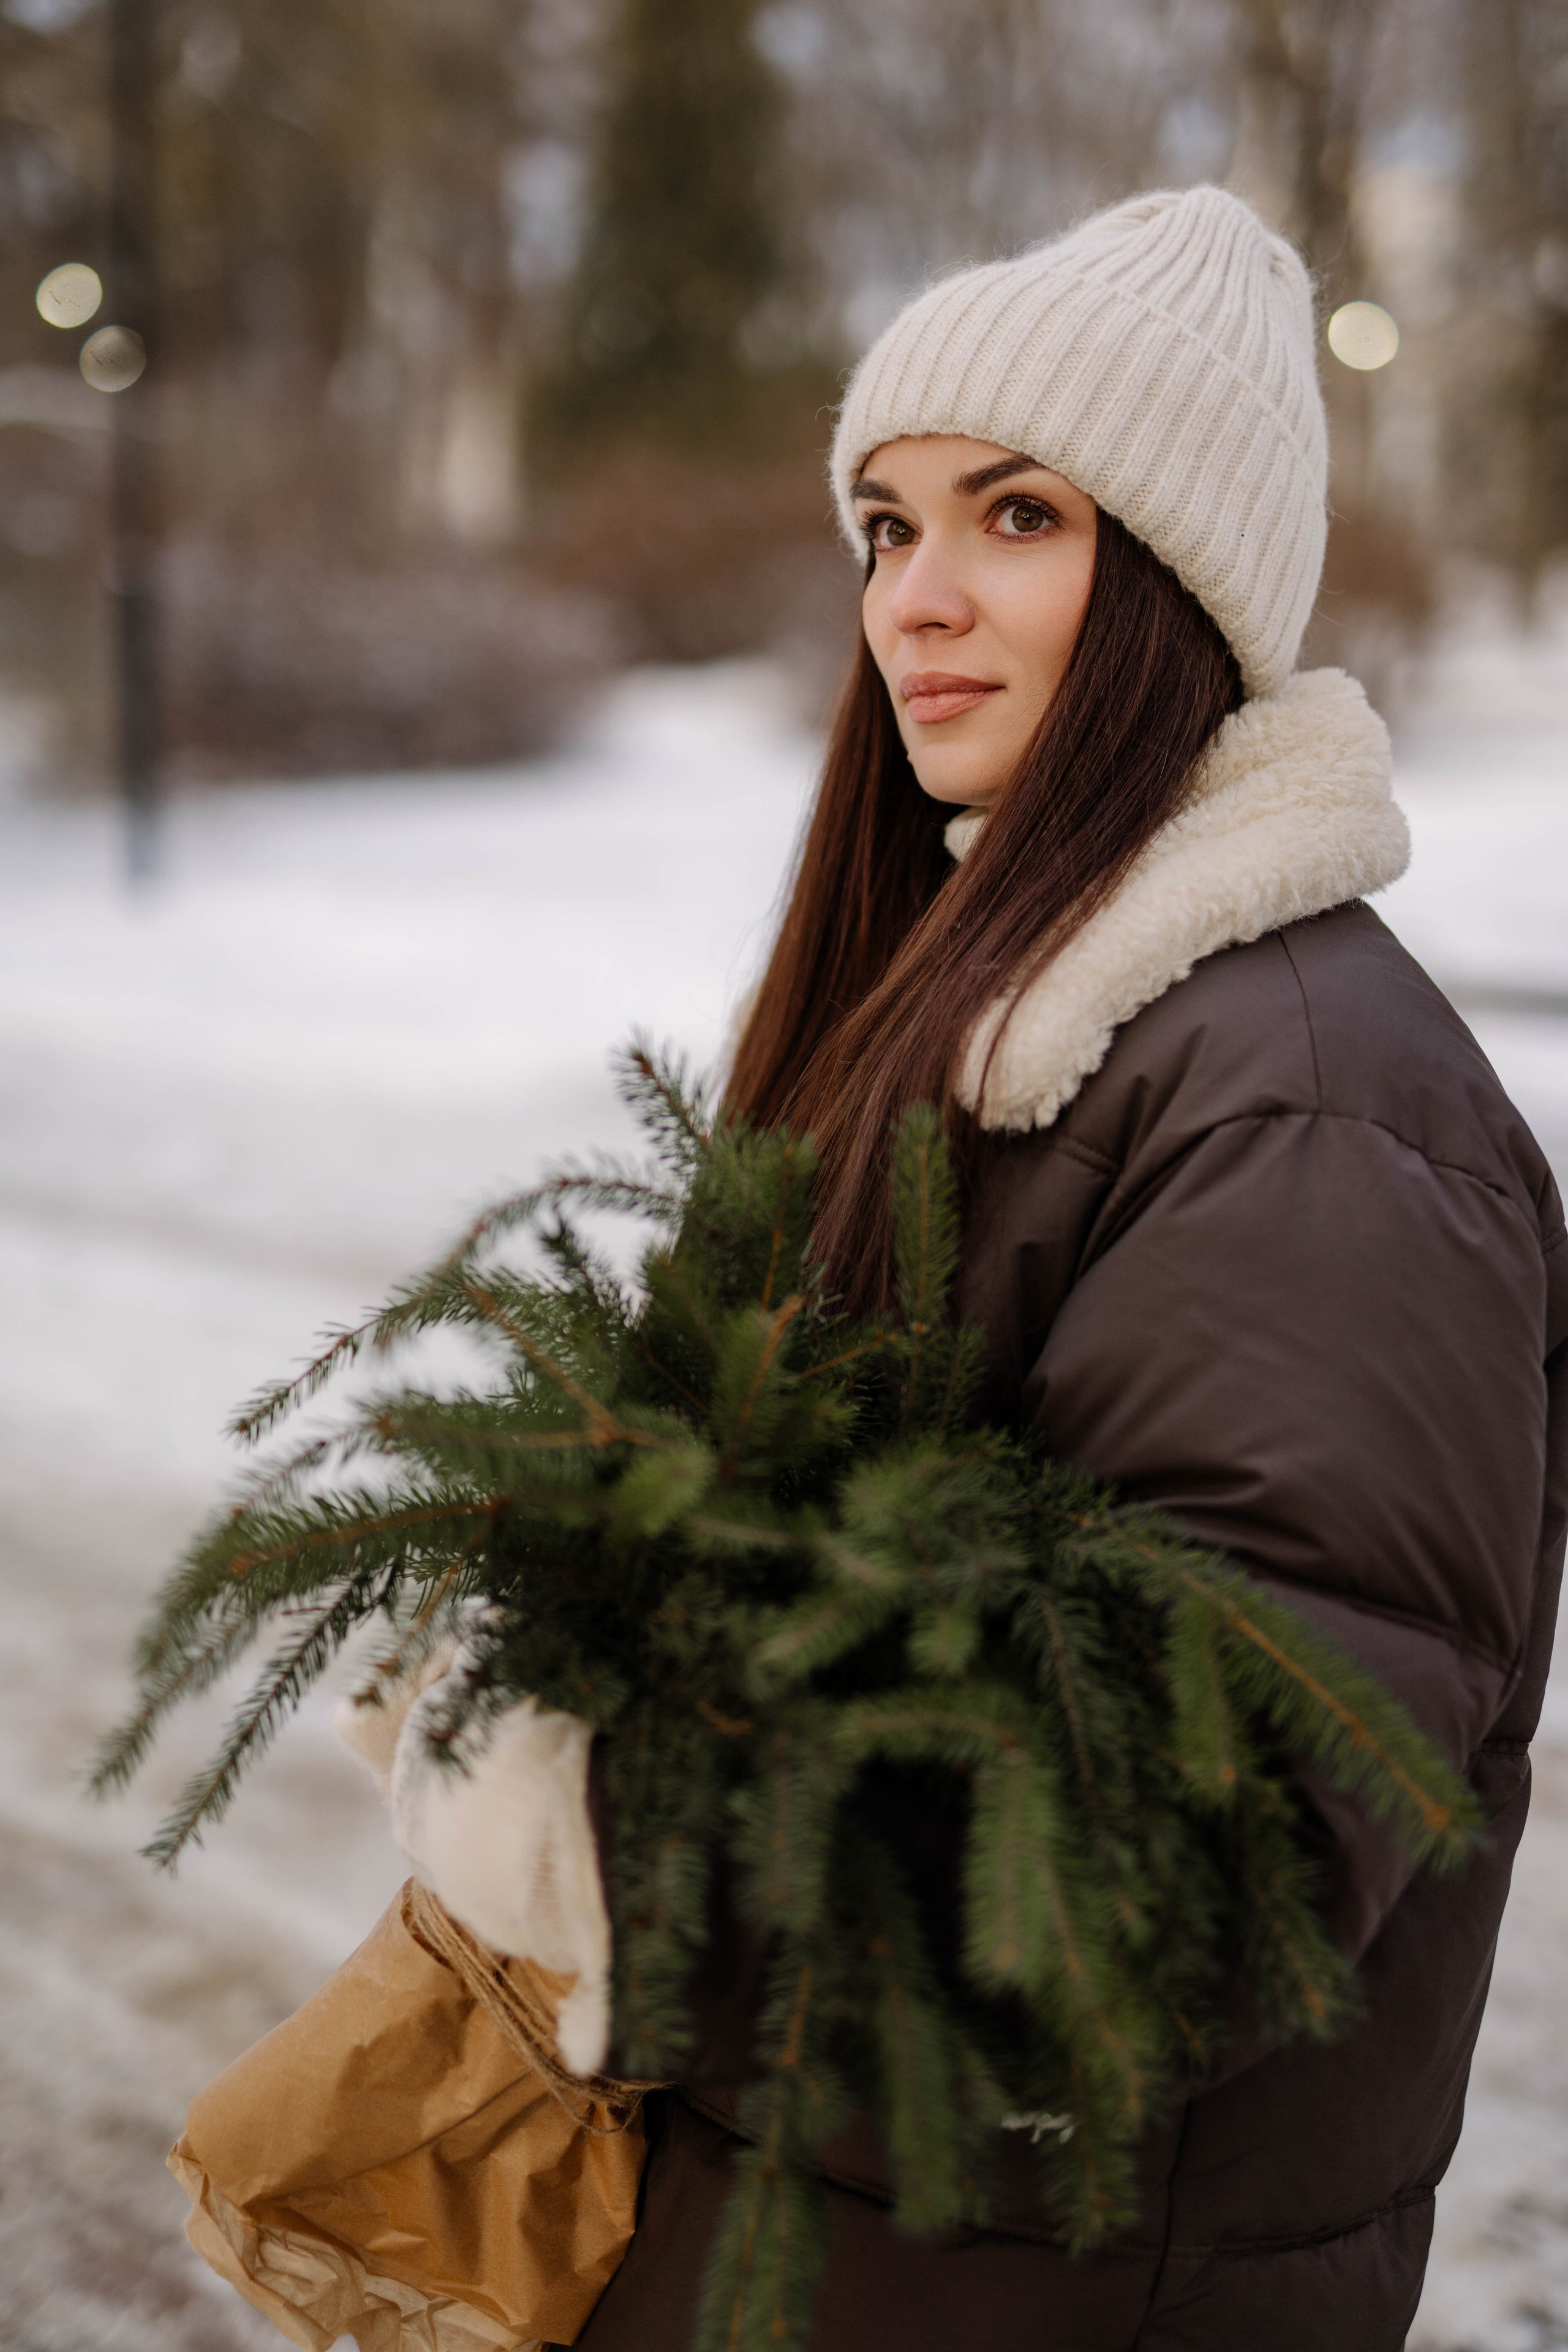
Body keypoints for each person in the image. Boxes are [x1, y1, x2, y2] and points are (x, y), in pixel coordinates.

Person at [394, 186, 1568, 2350]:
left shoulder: (1312, 1116)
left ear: (1178, 583)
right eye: (883, 524)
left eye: (1014, 516)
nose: (913, 603)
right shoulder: (1011, 1024)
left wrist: (597, 1812)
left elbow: (1177, 1883)